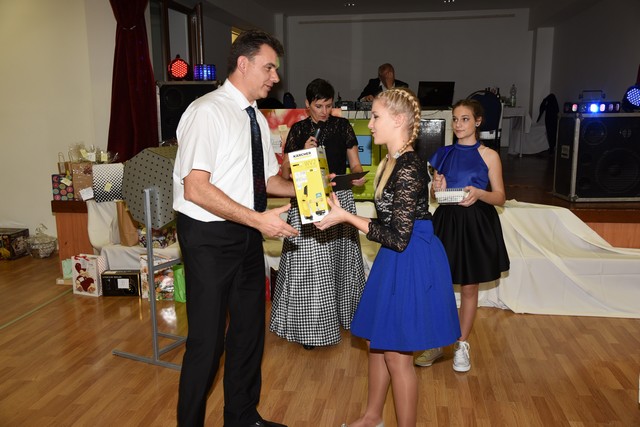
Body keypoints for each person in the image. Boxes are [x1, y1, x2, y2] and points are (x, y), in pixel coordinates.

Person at [172, 29, 298, 427]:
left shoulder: (256, 117)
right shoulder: (206, 112)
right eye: (269, 68)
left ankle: (242, 417)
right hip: (208, 236)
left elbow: (266, 181)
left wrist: (307, 188)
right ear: (243, 64)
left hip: (246, 231)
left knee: (248, 333)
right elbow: (196, 188)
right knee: (207, 343)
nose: (275, 77)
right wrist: (259, 219)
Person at [316, 88, 461, 427]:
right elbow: (389, 225)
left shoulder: (409, 166)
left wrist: (347, 218)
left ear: (398, 120)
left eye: (375, 116)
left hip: (410, 258)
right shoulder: (391, 162)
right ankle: (372, 417)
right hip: (396, 257)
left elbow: (398, 237)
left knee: (397, 355)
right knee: (377, 343)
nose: (370, 123)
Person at [270, 78, 367, 350]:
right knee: (309, 264)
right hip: (307, 199)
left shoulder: (342, 126)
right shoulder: (298, 130)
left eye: (328, 105)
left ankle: (345, 317)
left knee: (342, 260)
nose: (324, 111)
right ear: (307, 105)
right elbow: (284, 175)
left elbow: (356, 166)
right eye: (318, 106)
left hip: (339, 199)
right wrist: (302, 152)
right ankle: (312, 328)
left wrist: (357, 177)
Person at [414, 99, 510, 373]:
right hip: (447, 221)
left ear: (478, 121)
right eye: (455, 119)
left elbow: (500, 197)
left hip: (476, 223)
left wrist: (479, 193)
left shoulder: (489, 155)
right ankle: (436, 342)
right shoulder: (443, 153)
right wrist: (437, 187)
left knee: (469, 287)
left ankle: (461, 344)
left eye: (465, 119)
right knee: (437, 284)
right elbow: (436, 195)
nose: (458, 124)